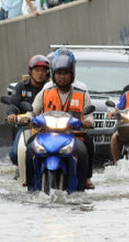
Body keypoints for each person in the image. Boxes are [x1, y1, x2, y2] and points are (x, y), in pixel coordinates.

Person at [29, 49, 94, 191]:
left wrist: (87, 122)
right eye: (59, 73)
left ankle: (84, 180)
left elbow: (89, 117)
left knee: (85, 148)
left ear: (72, 75)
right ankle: (30, 183)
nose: (62, 77)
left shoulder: (81, 92)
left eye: (65, 73)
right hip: (47, 133)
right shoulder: (46, 91)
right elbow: (33, 110)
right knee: (29, 147)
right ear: (53, 74)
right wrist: (28, 118)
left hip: (73, 134)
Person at [7, 55, 50, 174]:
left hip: (47, 128)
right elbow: (13, 104)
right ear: (30, 71)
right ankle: (21, 168)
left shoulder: (50, 88)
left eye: (43, 71)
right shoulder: (21, 87)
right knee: (16, 153)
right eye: (37, 70)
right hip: (27, 126)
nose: (40, 73)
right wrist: (12, 114)